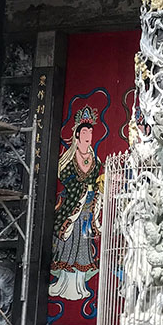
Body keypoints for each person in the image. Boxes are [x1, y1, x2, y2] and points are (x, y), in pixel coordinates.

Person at [49, 107, 104, 301]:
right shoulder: (69, 159)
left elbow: (97, 181)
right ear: (78, 135)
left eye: (90, 132)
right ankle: (63, 284)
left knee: (83, 246)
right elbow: (65, 178)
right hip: (72, 207)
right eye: (85, 132)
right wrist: (82, 188)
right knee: (68, 246)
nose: (88, 136)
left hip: (87, 210)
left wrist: (96, 188)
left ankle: (79, 286)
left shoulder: (95, 160)